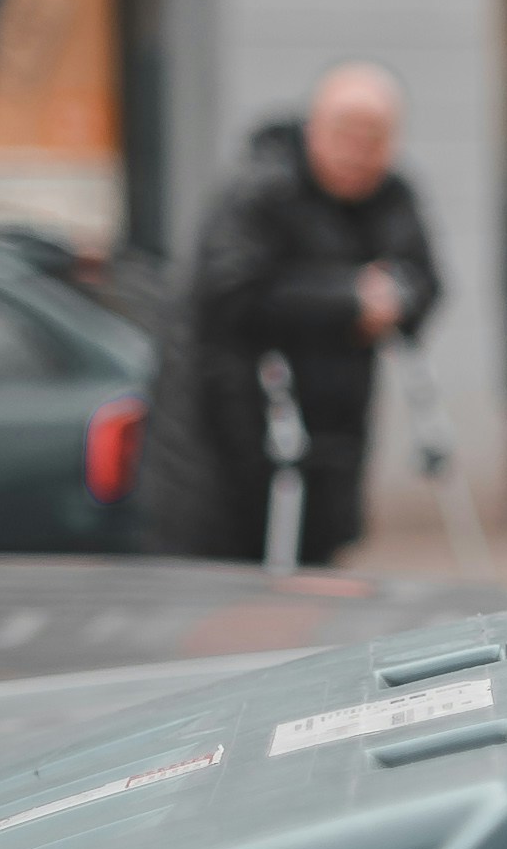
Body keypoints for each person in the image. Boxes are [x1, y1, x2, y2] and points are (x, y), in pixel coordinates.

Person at [132, 65, 442, 567]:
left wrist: (396, 298)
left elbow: (424, 280)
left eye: (375, 137)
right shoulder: (261, 190)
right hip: (227, 434)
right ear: (313, 128)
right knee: (228, 588)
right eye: (346, 133)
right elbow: (228, 294)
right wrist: (349, 297)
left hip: (329, 435)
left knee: (313, 582)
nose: (358, 151)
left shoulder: (393, 196)